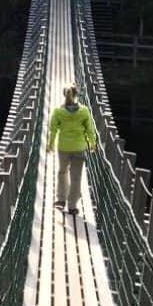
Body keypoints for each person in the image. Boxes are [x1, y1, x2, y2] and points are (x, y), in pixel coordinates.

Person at [47, 84, 96, 215]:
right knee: (76, 177)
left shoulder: (58, 111)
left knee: (62, 172)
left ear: (65, 95)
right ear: (76, 95)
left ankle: (61, 200)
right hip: (79, 148)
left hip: (63, 147)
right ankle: (72, 206)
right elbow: (90, 130)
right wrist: (92, 143)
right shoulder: (84, 111)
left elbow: (53, 129)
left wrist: (50, 144)